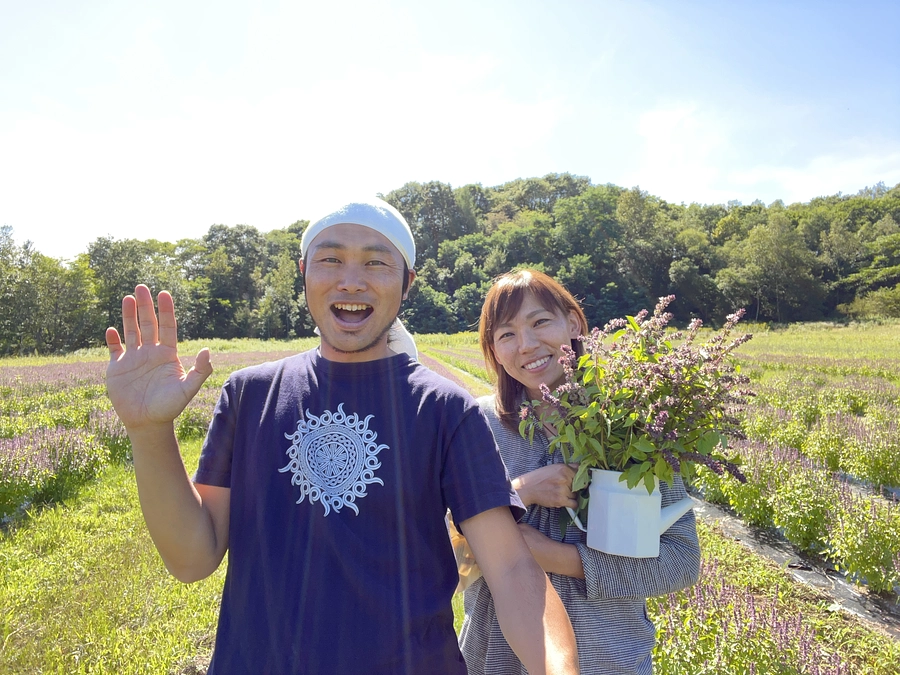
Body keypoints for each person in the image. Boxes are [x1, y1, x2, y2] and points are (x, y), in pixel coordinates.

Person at [104, 199, 579, 675]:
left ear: (407, 282)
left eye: (376, 262)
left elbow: (512, 570)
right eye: (331, 259)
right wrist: (149, 432)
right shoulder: (250, 395)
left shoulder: (443, 409)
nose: (351, 280)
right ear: (304, 272)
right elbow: (193, 558)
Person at [459, 269, 701, 675]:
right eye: (507, 335)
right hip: (495, 661)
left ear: (572, 323)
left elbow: (680, 560)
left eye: (540, 322)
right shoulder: (475, 425)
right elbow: (445, 551)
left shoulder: (627, 425)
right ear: (494, 351)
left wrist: (559, 557)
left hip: (607, 660)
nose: (528, 345)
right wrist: (521, 491)